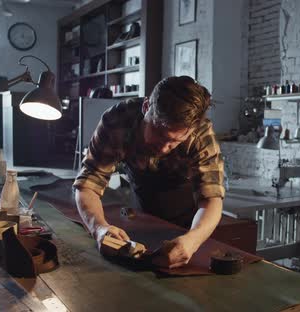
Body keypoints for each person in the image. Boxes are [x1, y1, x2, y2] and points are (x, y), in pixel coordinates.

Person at [73, 76, 224, 269]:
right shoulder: (118, 121)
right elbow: (88, 184)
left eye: (175, 142)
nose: (164, 148)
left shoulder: (201, 134)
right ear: (146, 107)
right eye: (159, 133)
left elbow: (211, 200)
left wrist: (193, 240)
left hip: (191, 220)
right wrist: (99, 228)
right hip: (143, 214)